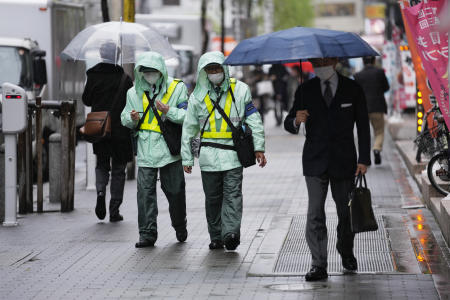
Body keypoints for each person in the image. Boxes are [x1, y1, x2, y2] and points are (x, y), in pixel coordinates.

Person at [284, 57, 371, 281]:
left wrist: (364, 159)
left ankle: (345, 250)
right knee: (315, 213)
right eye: (316, 61)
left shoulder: (352, 89)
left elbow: (362, 125)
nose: (320, 64)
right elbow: (288, 121)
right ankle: (318, 263)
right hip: (314, 161)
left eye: (324, 60)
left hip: (344, 162)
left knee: (345, 213)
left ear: (334, 62)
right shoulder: (305, 89)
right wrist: (296, 120)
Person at [181, 51, 267, 251]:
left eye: (217, 68)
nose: (214, 72)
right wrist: (187, 158)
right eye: (210, 69)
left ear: (225, 69)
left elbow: (253, 119)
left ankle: (230, 233)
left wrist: (259, 147)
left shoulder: (240, 90)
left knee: (233, 194)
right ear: (204, 72)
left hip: (233, 156)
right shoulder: (197, 97)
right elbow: (189, 129)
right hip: (209, 157)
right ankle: (216, 236)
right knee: (212, 198)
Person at [120, 51, 189, 248]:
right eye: (145, 71)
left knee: (175, 192)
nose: (149, 74)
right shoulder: (133, 93)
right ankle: (147, 233)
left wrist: (169, 111)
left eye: (153, 71)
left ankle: (179, 224)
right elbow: (124, 117)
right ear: (140, 72)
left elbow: (187, 116)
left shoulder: (177, 88)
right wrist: (131, 119)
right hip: (145, 151)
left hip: (169, 151)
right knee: (145, 194)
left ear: (161, 71)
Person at [82, 42, 133, 222]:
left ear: (101, 55)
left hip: (100, 128)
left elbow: (86, 100)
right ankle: (114, 209)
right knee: (119, 169)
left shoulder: (93, 74)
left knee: (101, 165)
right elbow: (131, 103)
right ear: (117, 56)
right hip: (120, 131)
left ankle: (101, 193)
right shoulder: (124, 78)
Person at [354, 56, 390, 165]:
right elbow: (386, 87)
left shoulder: (357, 75)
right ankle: (376, 149)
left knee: (363, 133)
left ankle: (365, 159)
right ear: (374, 61)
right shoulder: (379, 72)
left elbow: (356, 93)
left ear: (363, 61)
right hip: (377, 107)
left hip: (362, 109)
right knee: (379, 131)